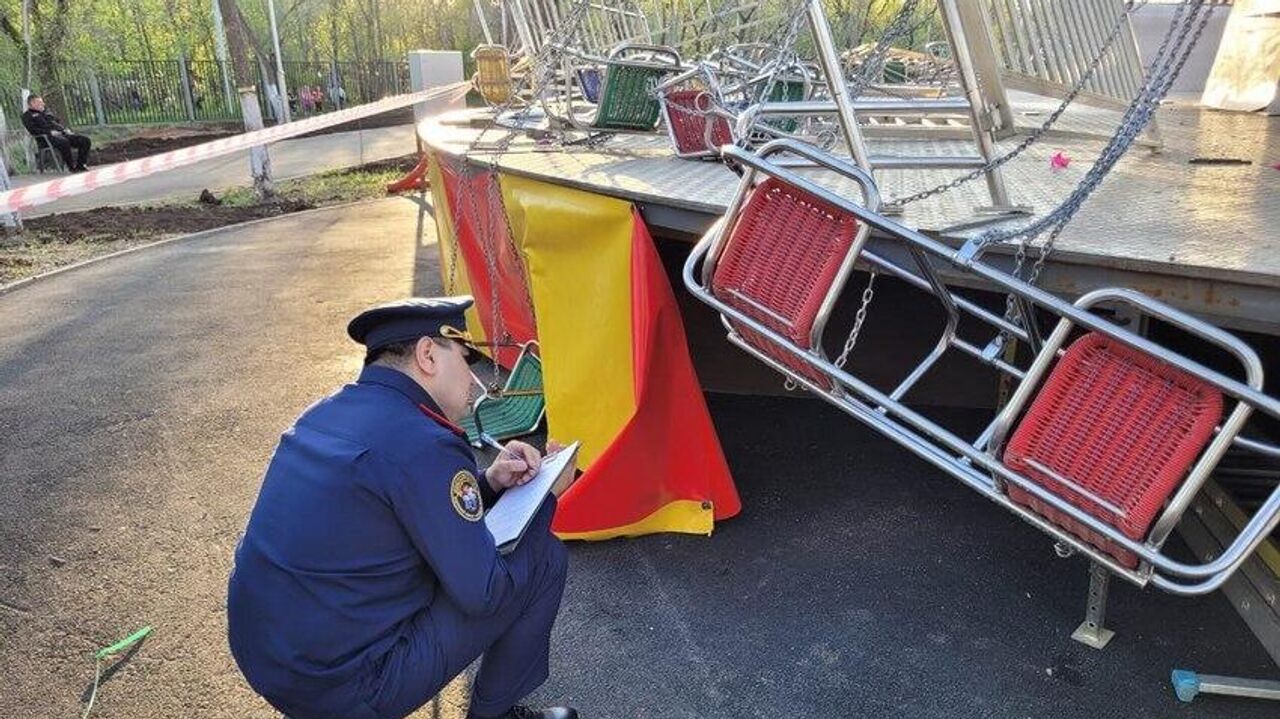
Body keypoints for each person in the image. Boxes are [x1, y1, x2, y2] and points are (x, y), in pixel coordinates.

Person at [227, 297, 577, 719]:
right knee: (542, 559)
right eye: (465, 359)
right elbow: (486, 594)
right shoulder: (424, 440)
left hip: (268, 658)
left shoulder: (324, 414)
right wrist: (548, 494)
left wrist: (491, 483)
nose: (473, 380)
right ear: (428, 355)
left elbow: (409, 508)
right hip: (345, 686)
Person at [20, 95, 91, 172]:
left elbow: (55, 123)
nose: (43, 104)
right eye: (40, 102)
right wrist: (49, 132)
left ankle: (81, 165)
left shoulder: (46, 112)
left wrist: (64, 130)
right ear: (32, 103)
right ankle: (71, 166)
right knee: (64, 142)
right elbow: (33, 130)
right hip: (46, 138)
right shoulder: (27, 116)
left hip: (61, 134)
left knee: (85, 140)